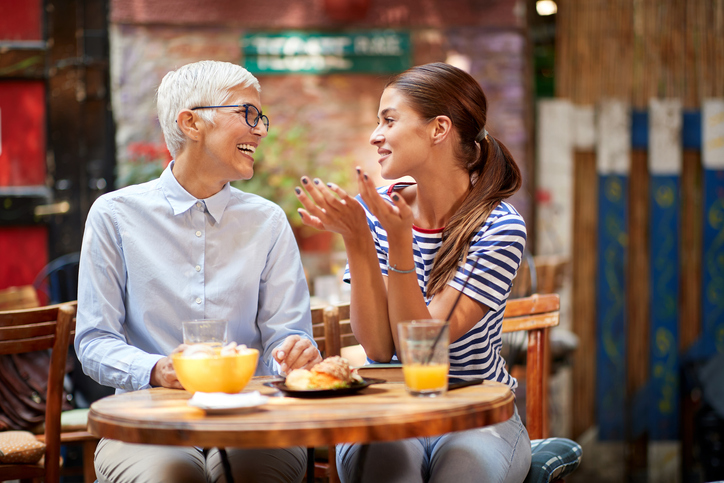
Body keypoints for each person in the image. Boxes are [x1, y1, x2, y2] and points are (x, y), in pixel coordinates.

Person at [75, 60, 321, 483]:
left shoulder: (268, 221)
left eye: (261, 117)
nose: (261, 129)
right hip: (147, 423)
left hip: (255, 421)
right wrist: (157, 370)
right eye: (247, 113)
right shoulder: (115, 215)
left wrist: (294, 352)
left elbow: (288, 335)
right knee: (172, 476)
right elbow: (95, 341)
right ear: (190, 123)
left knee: (251, 474)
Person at [295, 62, 531, 483]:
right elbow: (380, 349)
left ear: (439, 129)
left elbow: (420, 348)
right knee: (388, 470)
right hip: (388, 404)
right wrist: (358, 239)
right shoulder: (375, 208)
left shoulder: (498, 227)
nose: (375, 135)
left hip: (474, 411)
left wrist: (399, 240)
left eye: (389, 119)